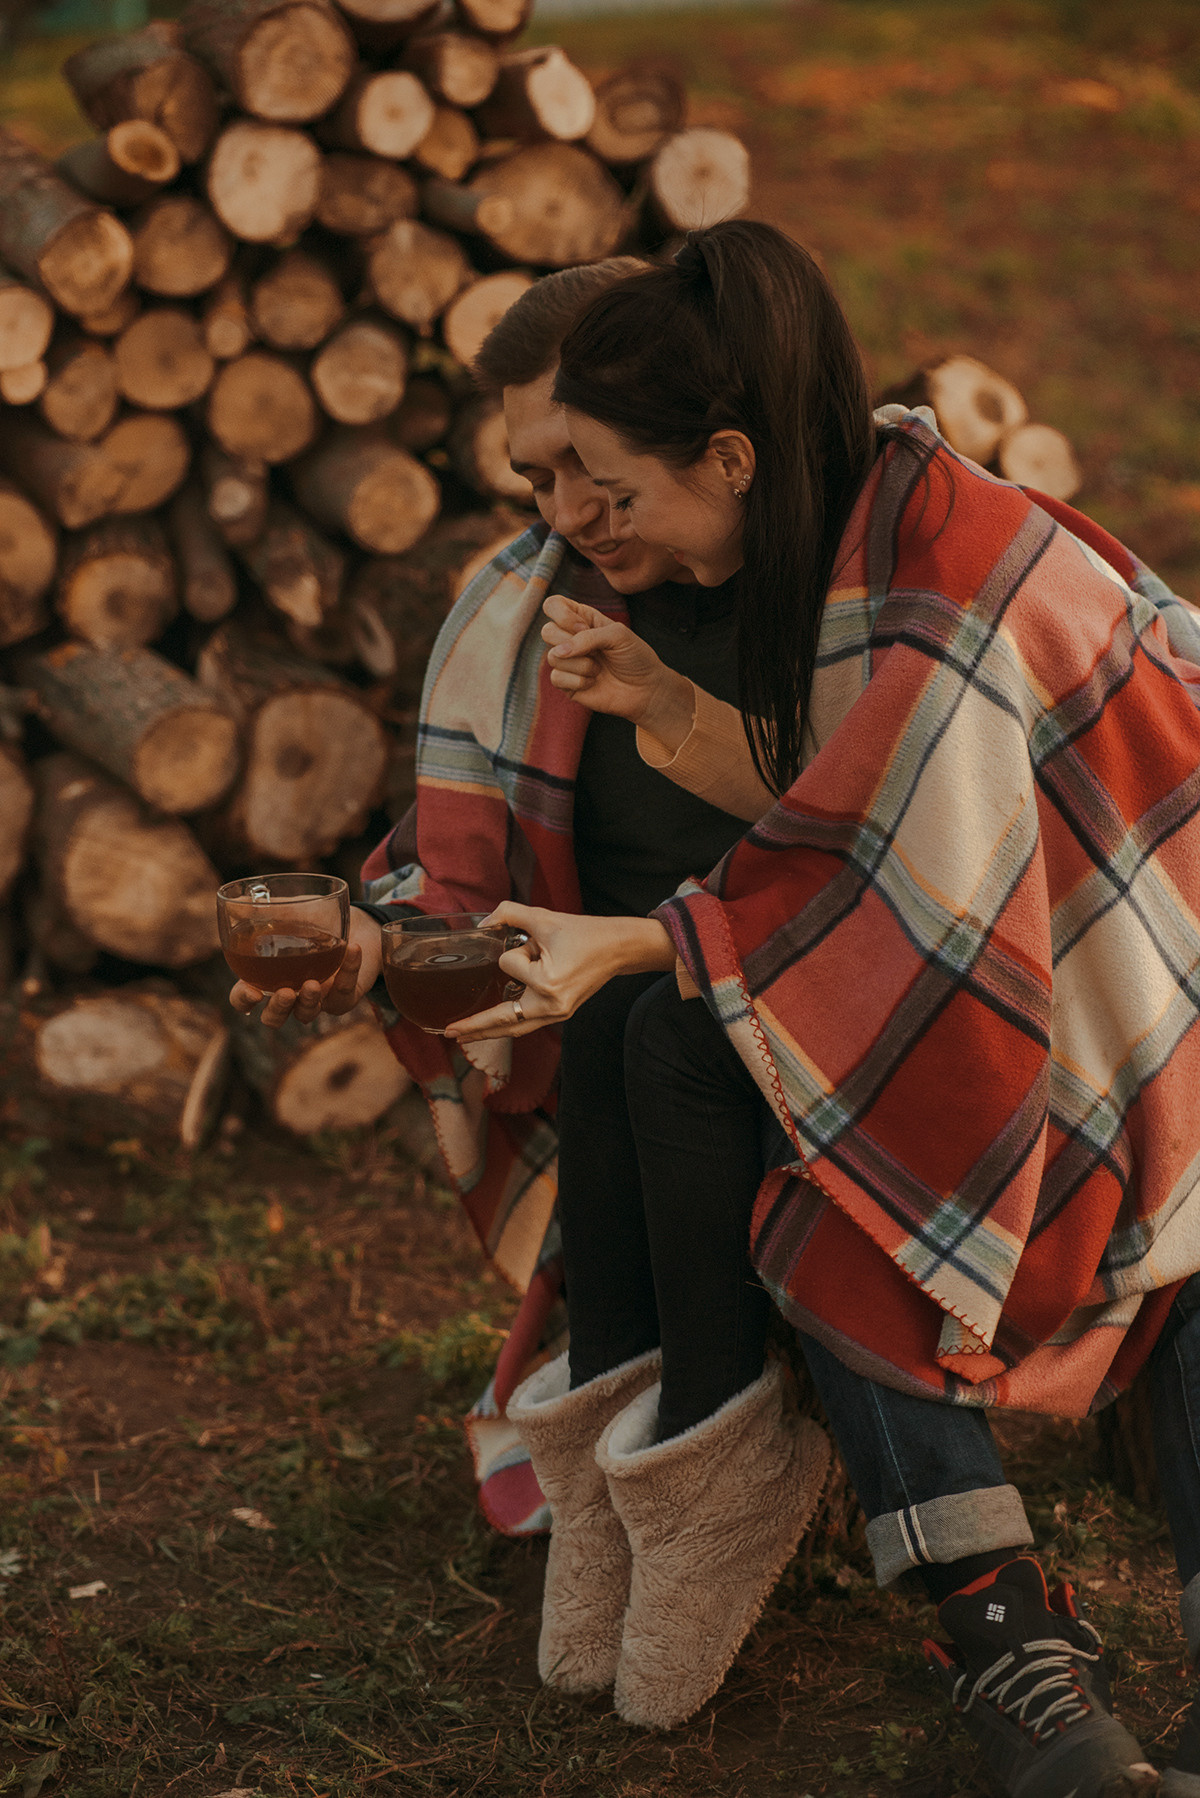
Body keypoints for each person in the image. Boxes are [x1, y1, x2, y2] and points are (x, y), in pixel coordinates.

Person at [435, 222, 1200, 1795]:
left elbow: (878, 892)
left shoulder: (940, 581)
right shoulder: (855, 524)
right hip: (1039, 973)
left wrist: (635, 944)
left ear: (727, 455)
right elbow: (852, 824)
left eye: (614, 488)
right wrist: (655, 721)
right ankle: (978, 1624)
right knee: (776, 1113)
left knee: (849, 1151)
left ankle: (957, 1605)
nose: (582, 525)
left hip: (1149, 980)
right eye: (550, 488)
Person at [227, 256, 779, 1541]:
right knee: (610, 1034)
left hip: (808, 989)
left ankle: (705, 1444)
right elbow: (456, 862)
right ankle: (640, 1449)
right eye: (537, 474)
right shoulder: (525, 608)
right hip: (621, 1018)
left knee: (653, 1032)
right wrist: (373, 941)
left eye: (591, 463)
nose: (568, 507)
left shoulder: (824, 591)